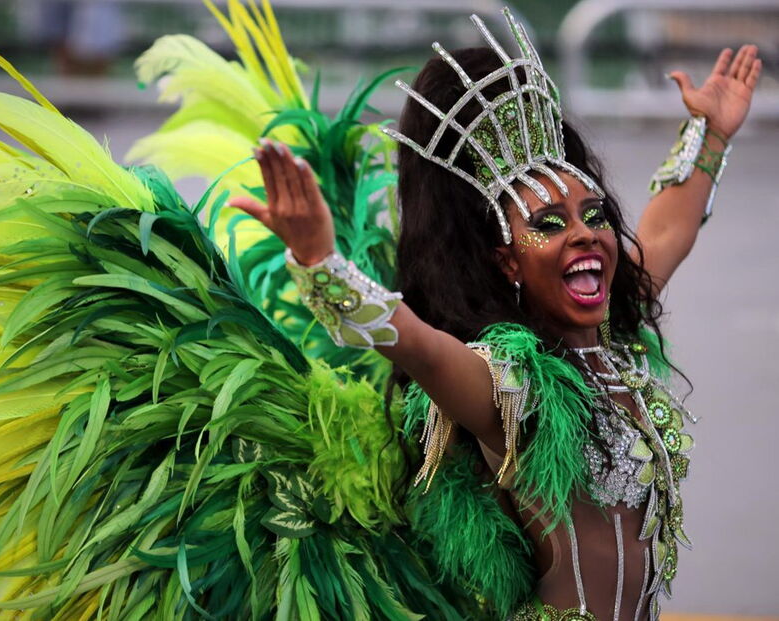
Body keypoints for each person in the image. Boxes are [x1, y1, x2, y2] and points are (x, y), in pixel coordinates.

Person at [230, 11, 762, 619]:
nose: (586, 236)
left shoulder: (615, 343)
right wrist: (321, 262)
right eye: (549, 225)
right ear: (507, 263)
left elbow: (667, 230)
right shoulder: (511, 389)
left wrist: (710, 134)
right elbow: (420, 347)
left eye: (595, 216)